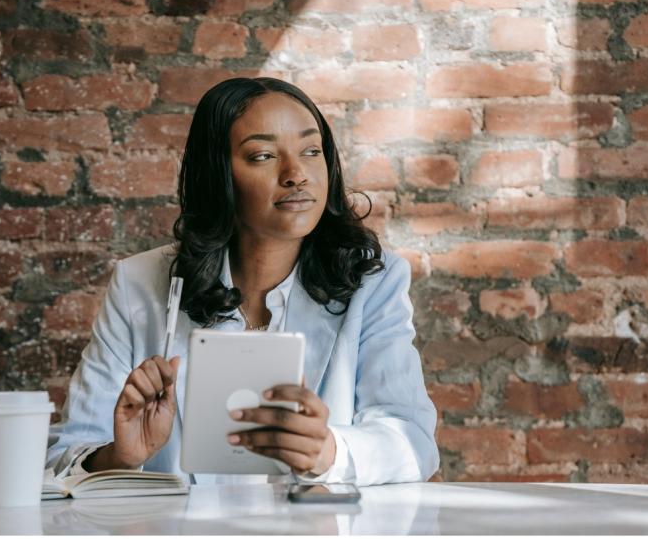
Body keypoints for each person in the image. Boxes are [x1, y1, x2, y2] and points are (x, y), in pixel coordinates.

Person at [46, 77, 440, 486]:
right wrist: (118, 458)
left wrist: (327, 450)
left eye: (310, 151)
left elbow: (413, 442)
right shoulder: (139, 284)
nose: (296, 174)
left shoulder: (372, 282)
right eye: (263, 155)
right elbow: (62, 457)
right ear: (217, 174)